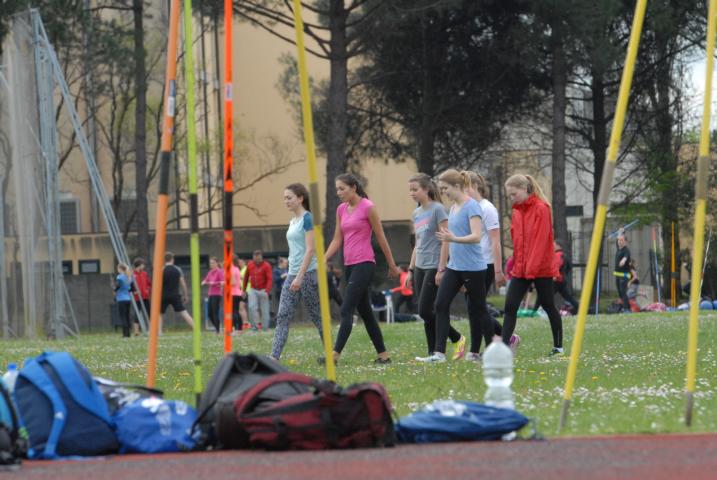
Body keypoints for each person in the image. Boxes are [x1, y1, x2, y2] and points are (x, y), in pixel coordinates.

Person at [324, 173, 400, 364]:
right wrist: (323, 259)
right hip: (349, 265)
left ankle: (334, 355)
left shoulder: (368, 207)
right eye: (337, 189)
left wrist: (391, 264)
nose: (338, 192)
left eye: (342, 188)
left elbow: (381, 237)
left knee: (346, 309)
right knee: (365, 311)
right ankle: (383, 355)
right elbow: (337, 239)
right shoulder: (341, 209)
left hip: (365, 263)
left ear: (353, 188)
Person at [421, 169, 495, 363]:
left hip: (473, 268)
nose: (443, 192)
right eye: (441, 189)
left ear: (456, 186)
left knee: (480, 309)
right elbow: (448, 238)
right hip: (454, 267)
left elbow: (476, 236)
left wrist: (454, 238)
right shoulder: (453, 207)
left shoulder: (472, 206)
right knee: (440, 305)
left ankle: (492, 350)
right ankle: (439, 354)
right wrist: (443, 265)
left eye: (445, 188)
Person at [404, 173, 467, 361]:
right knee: (425, 312)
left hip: (434, 265)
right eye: (410, 190)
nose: (412, 193)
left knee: (425, 310)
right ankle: (433, 353)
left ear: (426, 189)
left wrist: (441, 268)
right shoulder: (416, 213)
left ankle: (456, 338)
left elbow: (446, 240)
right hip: (420, 266)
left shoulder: (438, 209)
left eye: (415, 189)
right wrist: (410, 270)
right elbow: (418, 243)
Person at [501, 174, 563, 356]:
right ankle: (504, 348)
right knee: (510, 306)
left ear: (525, 189)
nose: (511, 198)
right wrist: (517, 266)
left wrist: (531, 272)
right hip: (521, 269)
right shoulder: (516, 212)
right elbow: (517, 242)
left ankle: (558, 347)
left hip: (541, 269)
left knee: (548, 305)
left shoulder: (542, 208)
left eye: (514, 194)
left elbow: (540, 242)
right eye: (509, 195)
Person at [270, 183, 325, 360]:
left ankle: (332, 353)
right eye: (284, 198)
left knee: (317, 317)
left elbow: (310, 250)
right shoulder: (293, 221)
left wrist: (300, 277)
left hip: (307, 274)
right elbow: (297, 248)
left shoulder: (308, 218)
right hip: (292, 274)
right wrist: (290, 269)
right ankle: (274, 357)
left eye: (289, 198)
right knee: (283, 315)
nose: (286, 201)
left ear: (300, 198)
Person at [464, 171, 518, 346]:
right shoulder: (467, 208)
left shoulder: (487, 208)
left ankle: (490, 345)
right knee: (474, 307)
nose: (462, 192)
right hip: (470, 264)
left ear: (475, 186)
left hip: (485, 264)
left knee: (477, 307)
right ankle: (504, 338)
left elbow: (495, 241)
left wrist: (498, 270)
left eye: (465, 188)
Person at [160, 252, 194, 331]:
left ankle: (159, 331)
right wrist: (185, 295)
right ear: (172, 259)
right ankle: (196, 328)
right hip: (175, 295)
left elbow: (158, 284)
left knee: (159, 314)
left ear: (165, 260)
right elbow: (183, 284)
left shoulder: (161, 269)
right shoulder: (178, 269)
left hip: (163, 295)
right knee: (183, 312)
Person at [242, 250, 273, 331]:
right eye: (255, 257)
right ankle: (254, 327)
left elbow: (270, 279)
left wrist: (267, 290)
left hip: (263, 290)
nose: (257, 259)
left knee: (264, 309)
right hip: (253, 289)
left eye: (258, 257)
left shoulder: (266, 265)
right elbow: (246, 278)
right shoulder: (250, 264)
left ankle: (265, 328)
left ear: (261, 257)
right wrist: (244, 290)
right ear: (253, 257)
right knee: (251, 307)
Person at [554, 241, 579, 313]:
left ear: (558, 246)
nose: (552, 246)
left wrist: (555, 276)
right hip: (562, 280)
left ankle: (534, 311)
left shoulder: (558, 255)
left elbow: (556, 266)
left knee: (545, 296)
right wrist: (564, 274)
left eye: (554, 245)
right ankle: (578, 307)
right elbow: (569, 267)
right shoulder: (564, 255)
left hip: (556, 280)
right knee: (568, 297)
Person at [201, 257, 224, 334]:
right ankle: (218, 328)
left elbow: (223, 282)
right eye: (210, 263)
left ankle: (217, 330)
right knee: (209, 313)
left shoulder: (220, 271)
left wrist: (214, 283)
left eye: (213, 263)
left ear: (217, 263)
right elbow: (206, 280)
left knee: (215, 312)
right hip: (210, 294)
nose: (211, 264)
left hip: (217, 294)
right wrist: (203, 282)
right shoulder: (210, 272)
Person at [132, 257, 151, 336]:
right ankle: (136, 331)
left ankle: (151, 330)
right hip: (137, 298)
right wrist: (134, 292)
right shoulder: (132, 275)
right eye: (143, 264)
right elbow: (129, 286)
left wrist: (148, 290)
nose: (144, 266)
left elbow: (149, 284)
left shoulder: (144, 274)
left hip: (145, 297)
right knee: (137, 313)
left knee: (149, 313)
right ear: (139, 265)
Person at [231, 255, 249, 332]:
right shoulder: (237, 269)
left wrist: (224, 283)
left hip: (233, 293)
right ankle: (240, 328)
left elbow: (233, 282)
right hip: (239, 292)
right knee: (237, 311)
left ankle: (236, 328)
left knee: (234, 311)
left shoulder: (231, 269)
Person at [615, 233, 631, 312]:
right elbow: (617, 241)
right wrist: (620, 232)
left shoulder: (626, 250)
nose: (619, 241)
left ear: (625, 242)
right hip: (617, 275)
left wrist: (623, 260)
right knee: (620, 293)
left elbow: (626, 257)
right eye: (619, 240)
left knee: (623, 292)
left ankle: (626, 309)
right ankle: (626, 307)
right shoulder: (619, 249)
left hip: (624, 276)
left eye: (621, 240)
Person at [115, 263, 132, 338]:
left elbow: (118, 285)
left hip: (121, 299)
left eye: (118, 268)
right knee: (127, 316)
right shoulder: (128, 277)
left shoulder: (119, 277)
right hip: (128, 299)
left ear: (120, 269)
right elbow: (130, 289)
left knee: (123, 317)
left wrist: (115, 290)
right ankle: (128, 334)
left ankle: (125, 334)